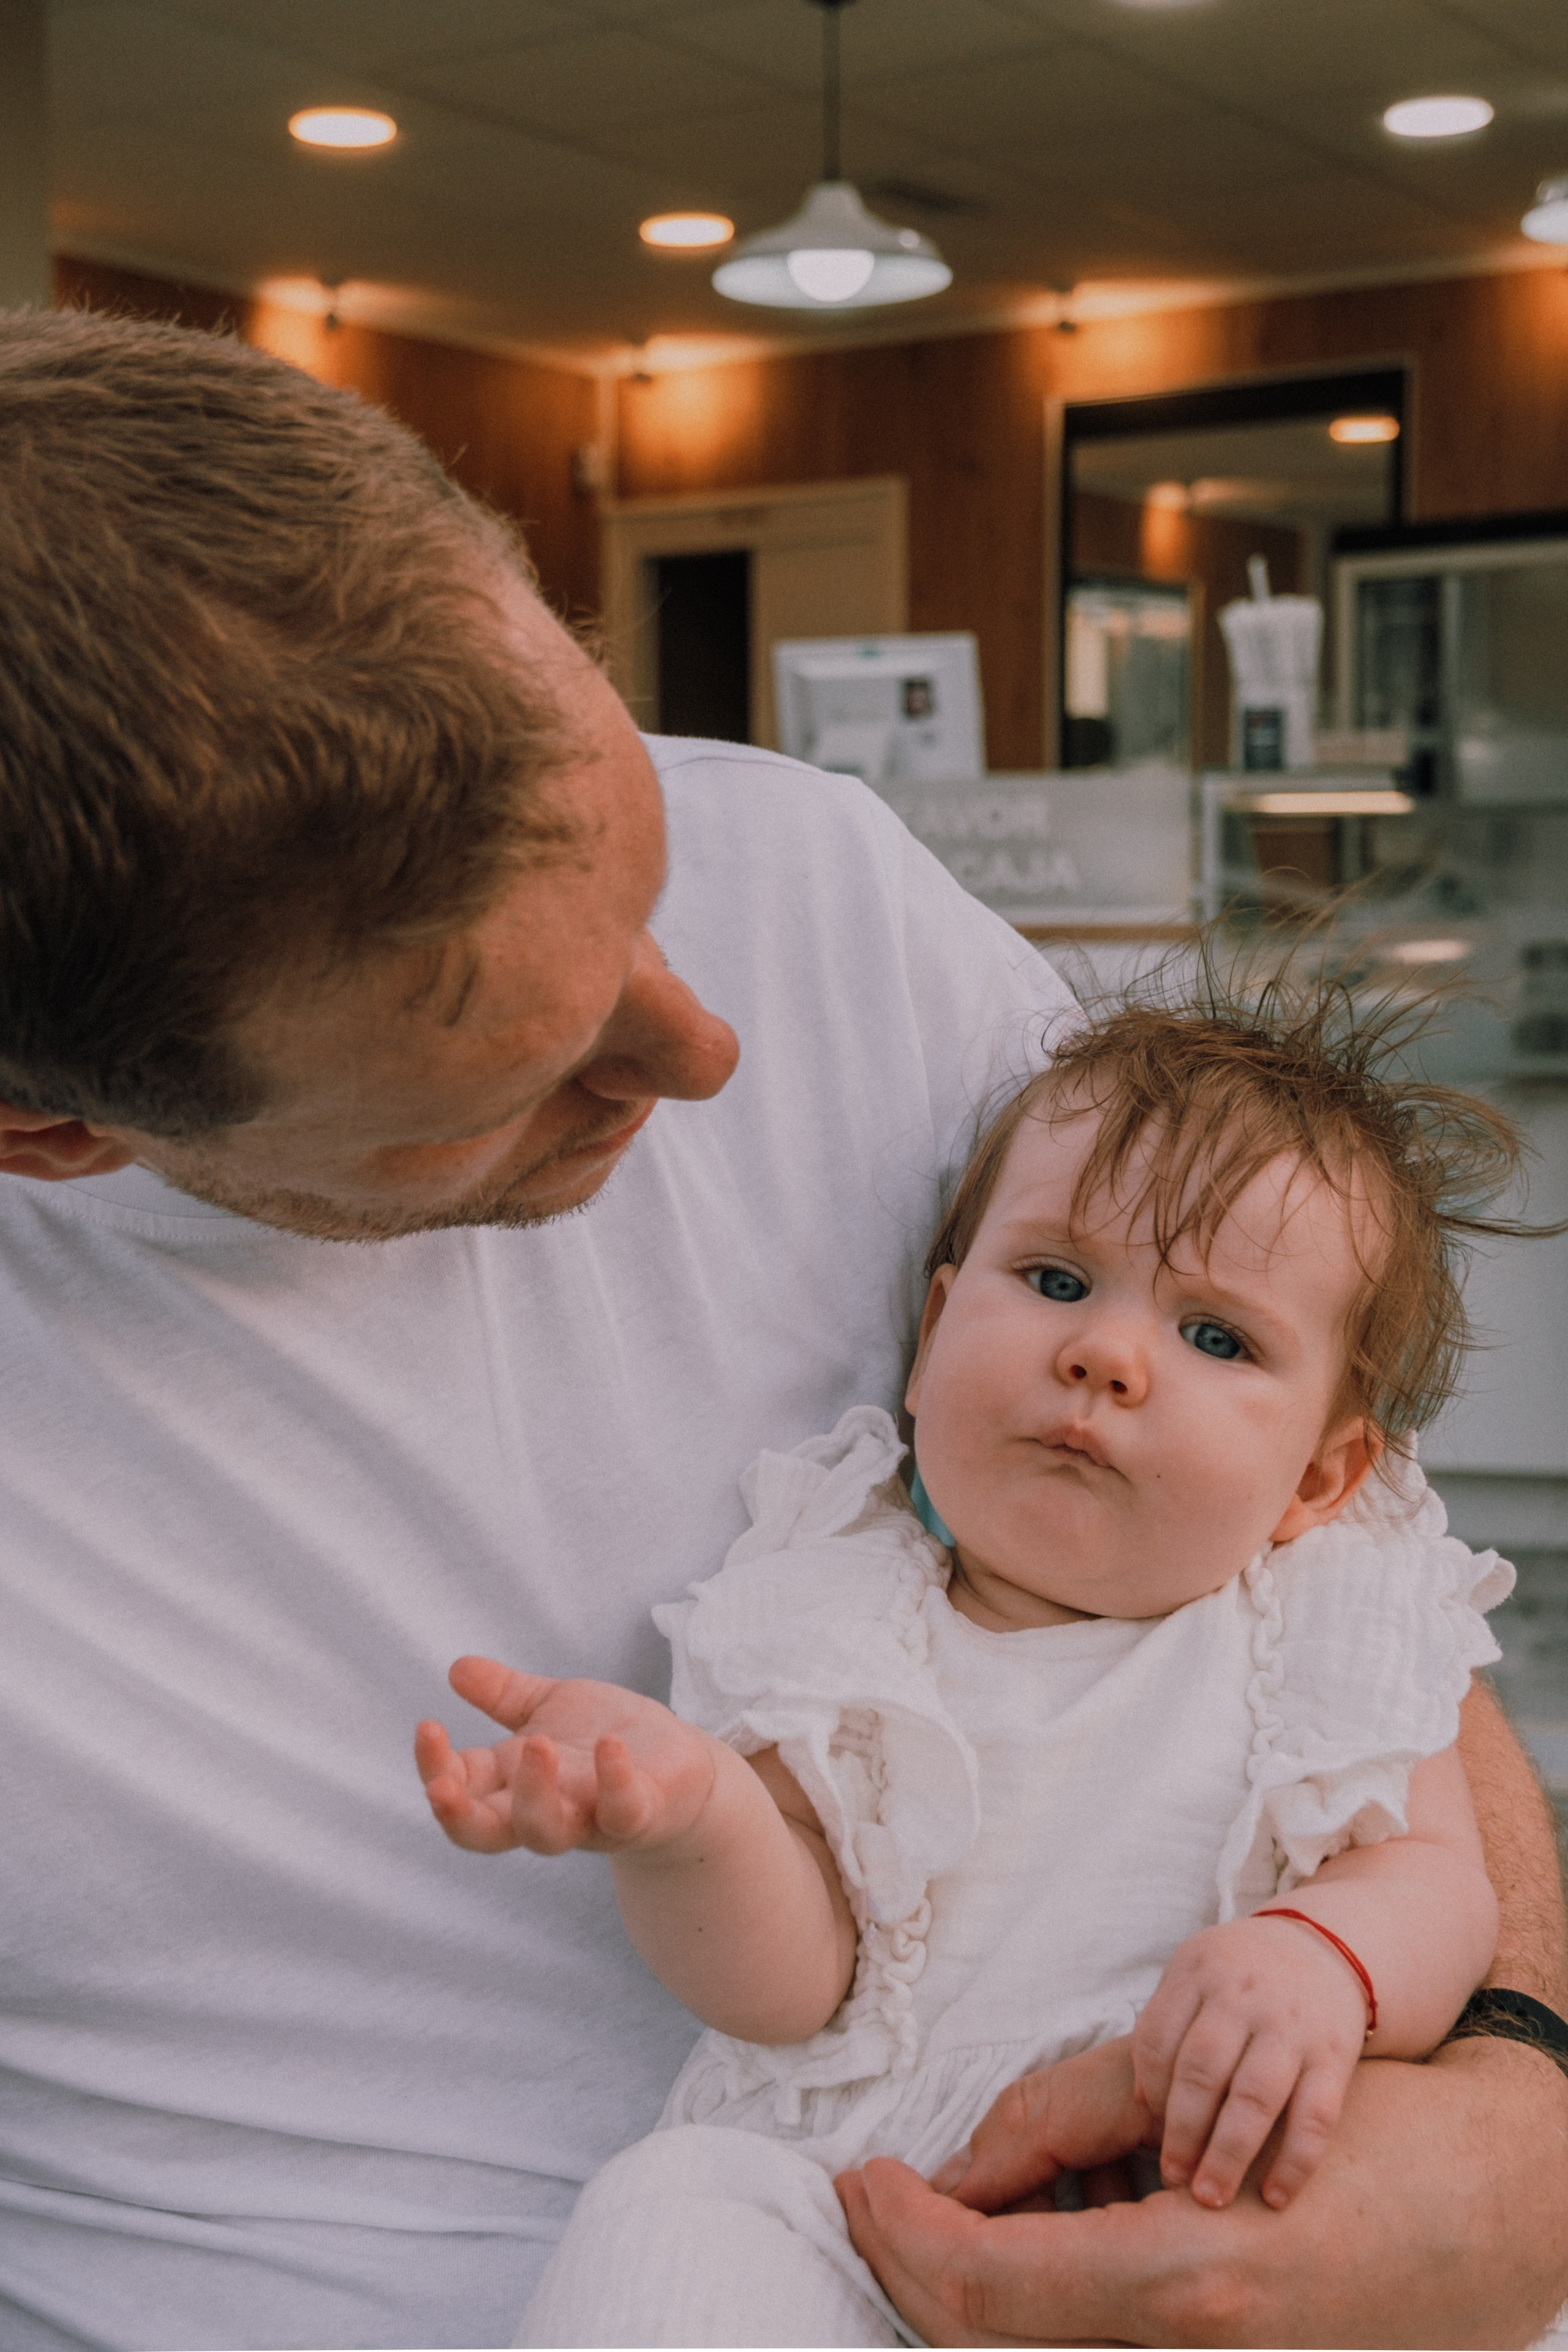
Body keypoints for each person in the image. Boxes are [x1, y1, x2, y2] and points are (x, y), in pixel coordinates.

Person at [0, 306, 1562, 2352]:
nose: (710, 1049)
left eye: (648, 889)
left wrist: (1522, 2101)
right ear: (55, 1129)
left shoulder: (824, 884)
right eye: (514, 1075)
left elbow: (1334, 1563)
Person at [421, 979, 1515, 2346]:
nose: (1104, 1355)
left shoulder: (1322, 1632)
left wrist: (1322, 1956)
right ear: (932, 1341)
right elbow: (789, 1987)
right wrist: (687, 1812)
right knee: (672, 2209)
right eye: (1054, 1280)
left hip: (1201, 2206)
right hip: (863, 2207)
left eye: (1214, 1336)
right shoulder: (838, 1620)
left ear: (1319, 1475)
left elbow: (1431, 1885)